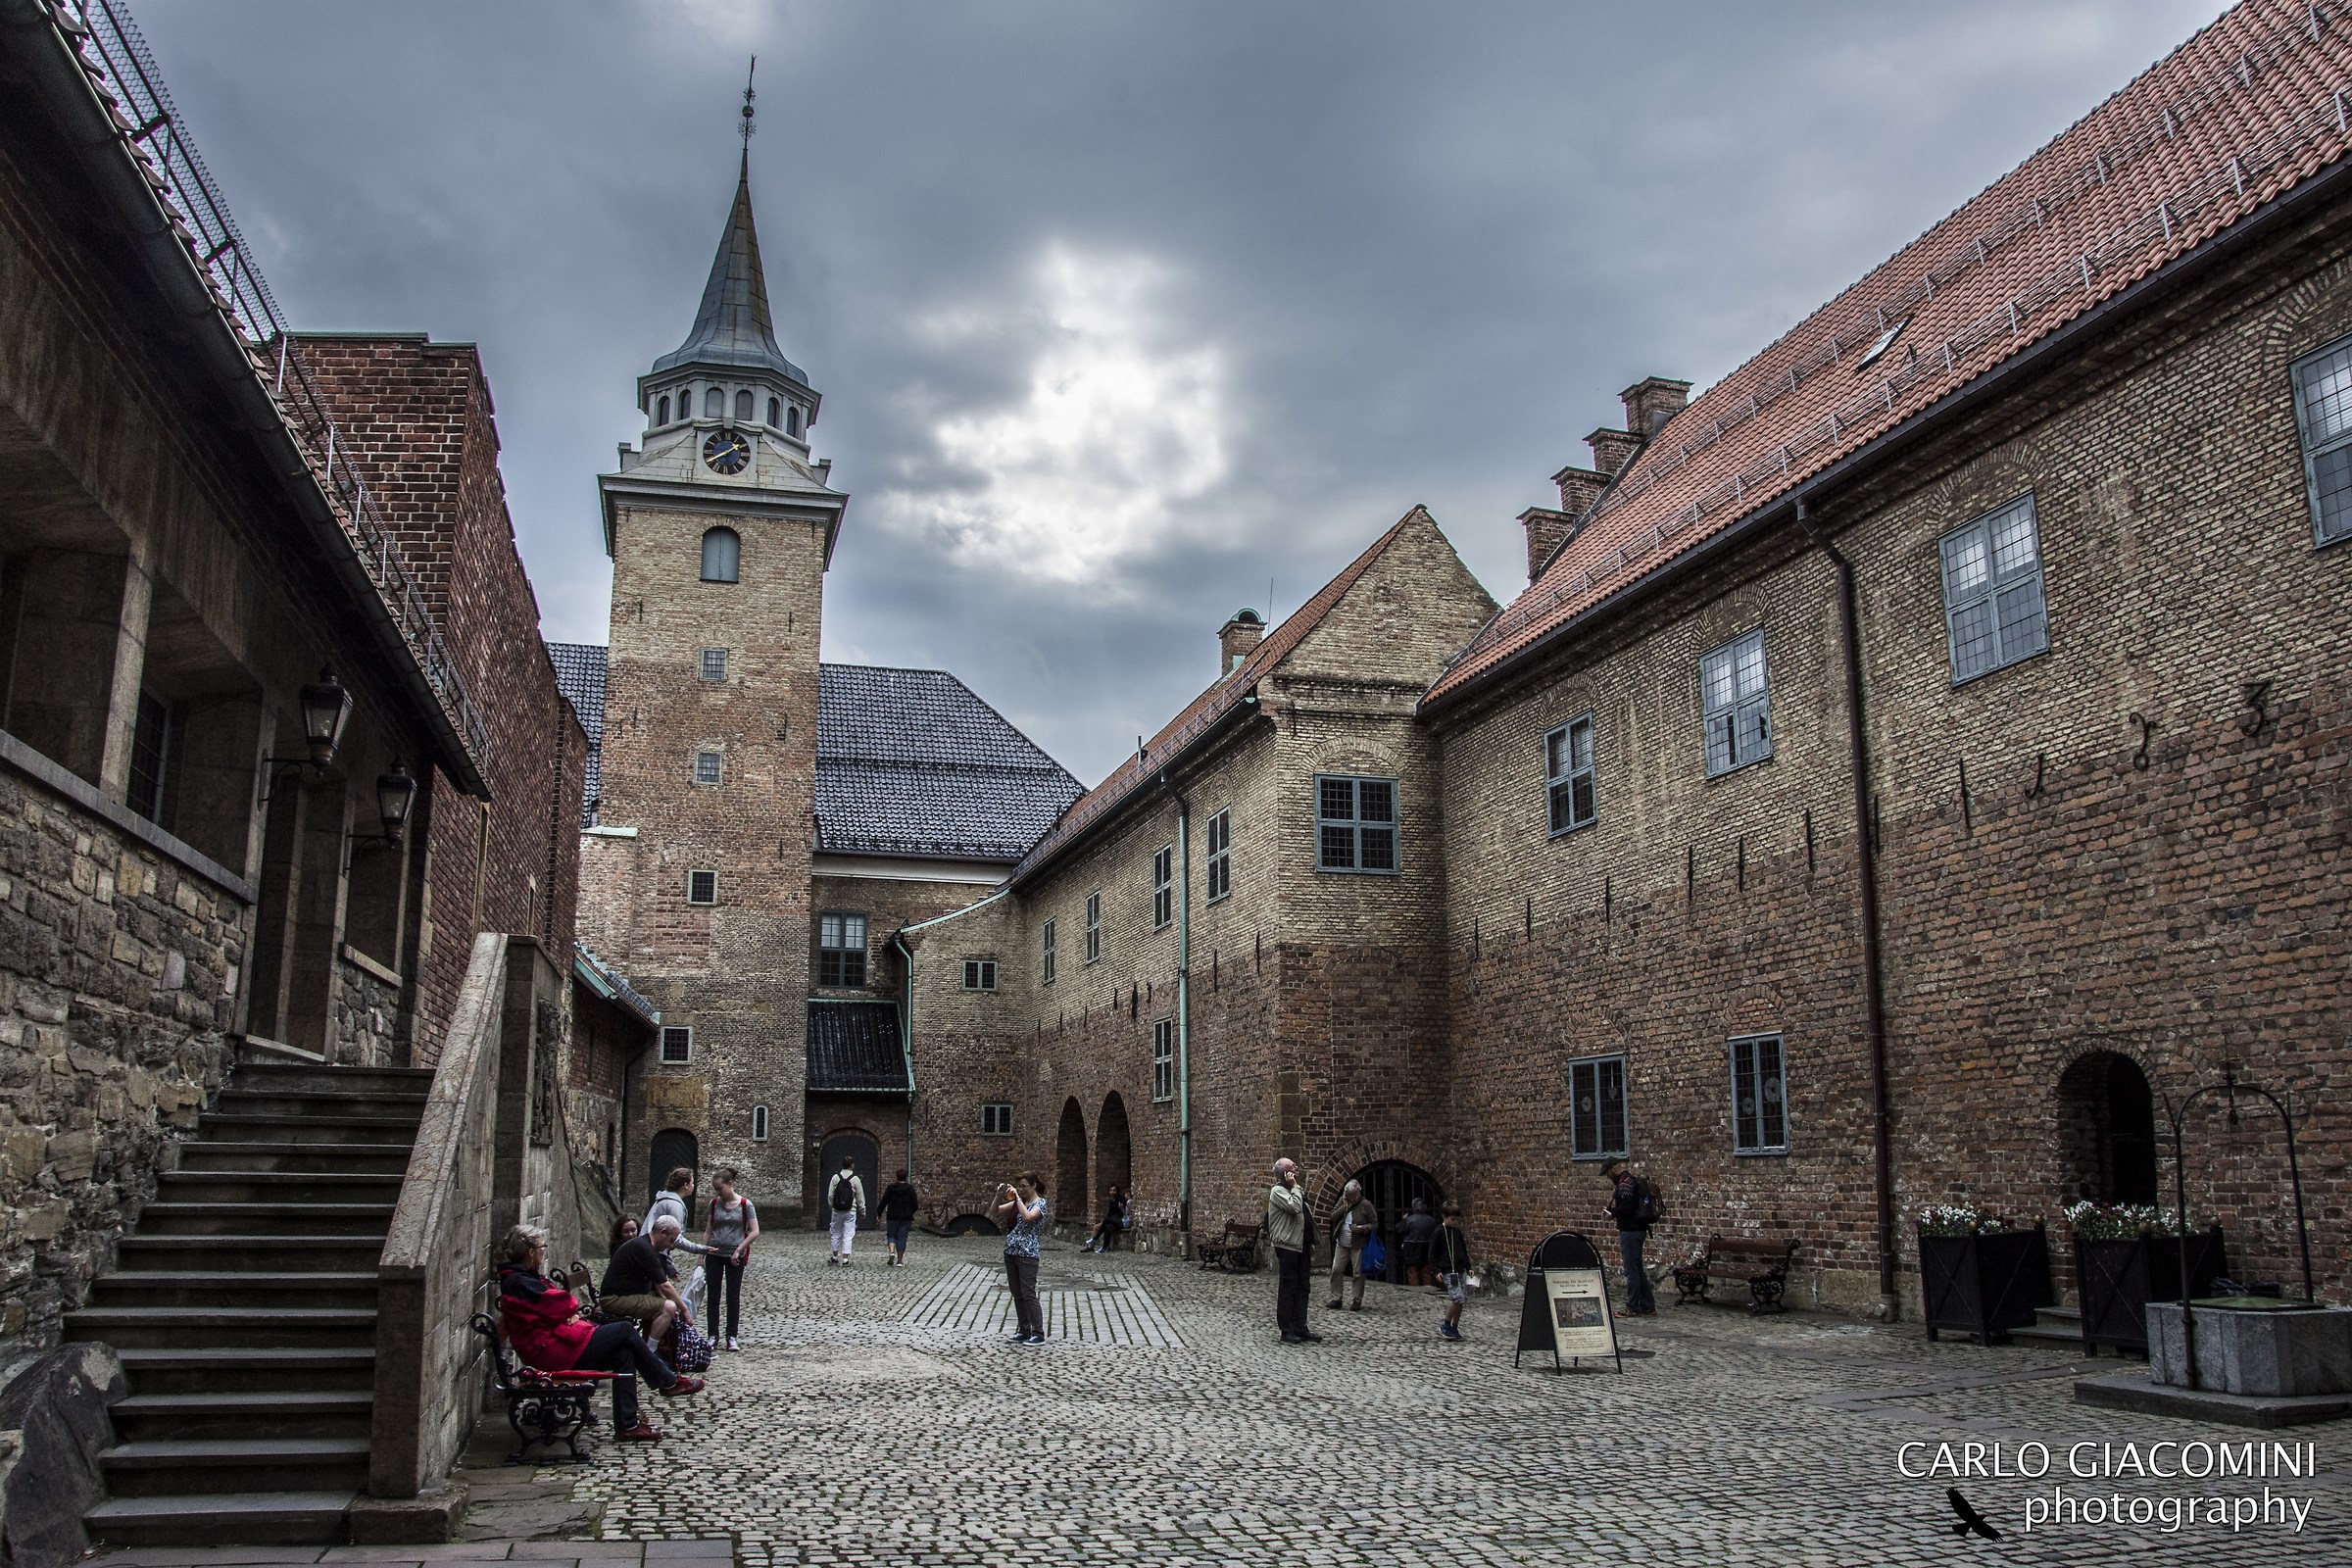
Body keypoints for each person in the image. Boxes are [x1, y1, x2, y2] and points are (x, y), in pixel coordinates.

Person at [497, 1224, 700, 1442]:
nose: (543, 1250)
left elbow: (555, 1305)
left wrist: (565, 1312)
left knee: (624, 1353)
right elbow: (562, 1303)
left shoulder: (523, 1278)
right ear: (530, 1252)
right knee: (624, 1329)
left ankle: (628, 1425)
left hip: (556, 1342)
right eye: (541, 1247)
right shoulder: (520, 1281)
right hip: (551, 1350)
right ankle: (667, 1381)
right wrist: (566, 1311)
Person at [601, 1214, 689, 1338]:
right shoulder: (644, 1249)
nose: (671, 1245)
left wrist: (672, 1300)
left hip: (628, 1295)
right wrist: (684, 1309)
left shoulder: (647, 1245)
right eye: (671, 1240)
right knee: (669, 1307)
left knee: (673, 1302)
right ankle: (650, 1350)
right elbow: (665, 1285)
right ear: (662, 1233)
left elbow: (657, 1281)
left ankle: (667, 1348)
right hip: (615, 1299)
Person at [701, 1167, 758, 1351]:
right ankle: (712, 1335)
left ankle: (731, 1336)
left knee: (733, 1297)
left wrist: (739, 1249)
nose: (718, 1192)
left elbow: (754, 1231)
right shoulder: (714, 1203)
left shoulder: (745, 1204)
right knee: (713, 1296)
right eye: (716, 1189)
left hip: (735, 1256)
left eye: (720, 1188)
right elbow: (708, 1230)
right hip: (714, 1254)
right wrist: (702, 1253)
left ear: (730, 1184)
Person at [1265, 1157, 1320, 1344]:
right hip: (1288, 1246)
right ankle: (1286, 1329)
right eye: (1292, 1167)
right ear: (1284, 1174)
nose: (1296, 1168)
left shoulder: (1295, 1190)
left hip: (1301, 1245)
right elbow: (1295, 1207)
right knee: (1288, 1288)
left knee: (1303, 1287)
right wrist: (1295, 1186)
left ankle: (1300, 1326)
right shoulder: (1278, 1191)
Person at [994, 1172, 1049, 1345]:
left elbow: (1028, 1217)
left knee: (1028, 1293)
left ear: (1033, 1186)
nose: (1021, 1189)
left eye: (1024, 1186)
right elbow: (994, 1211)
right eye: (1019, 1186)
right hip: (1011, 1251)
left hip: (1028, 1254)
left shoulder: (1041, 1203)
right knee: (1017, 1294)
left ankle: (1038, 1332)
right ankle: (1024, 1330)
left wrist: (1017, 1199)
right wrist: (997, 1196)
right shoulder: (1020, 1202)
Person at [1605, 1158, 1658, 1316]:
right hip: (1640, 1229)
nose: (1608, 1177)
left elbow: (1627, 1207)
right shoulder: (1632, 1180)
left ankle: (1633, 1306)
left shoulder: (1625, 1183)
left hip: (1630, 1231)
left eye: (1608, 1173)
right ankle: (1648, 1305)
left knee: (1631, 1270)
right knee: (1637, 1268)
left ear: (1613, 1169)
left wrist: (1612, 1213)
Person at [1326, 1179, 1376, 1311]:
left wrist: (1362, 1228)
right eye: (1348, 1196)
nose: (1351, 1199)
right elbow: (1332, 1216)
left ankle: (1356, 1299)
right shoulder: (1343, 1201)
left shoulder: (1366, 1205)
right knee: (1336, 1270)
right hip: (1342, 1243)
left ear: (1358, 1193)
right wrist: (1344, 1206)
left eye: (1352, 1197)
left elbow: (1375, 1224)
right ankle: (1336, 1298)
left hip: (1358, 1244)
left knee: (1358, 1273)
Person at [1433, 1202, 1472, 1341]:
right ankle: (1446, 1323)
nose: (1455, 1222)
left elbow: (1463, 1250)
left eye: (1456, 1220)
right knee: (1457, 1298)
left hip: (1460, 1269)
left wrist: (1469, 1267)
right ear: (1445, 1217)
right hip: (1448, 1270)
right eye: (1452, 1219)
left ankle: (1454, 1326)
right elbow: (1432, 1253)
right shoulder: (1438, 1232)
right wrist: (1436, 1270)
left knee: (1462, 1300)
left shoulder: (1457, 1232)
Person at [825, 1157, 867, 1266]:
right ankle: (845, 1259)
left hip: (837, 1210)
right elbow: (860, 1197)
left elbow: (830, 1195)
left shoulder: (835, 1177)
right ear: (852, 1165)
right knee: (848, 1234)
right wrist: (862, 1210)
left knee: (835, 1233)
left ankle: (834, 1256)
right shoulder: (855, 1179)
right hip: (850, 1210)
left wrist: (832, 1206)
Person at [877, 1168, 919, 1266]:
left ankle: (892, 1252)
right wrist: (910, 1212)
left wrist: (879, 1213)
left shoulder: (890, 1188)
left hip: (892, 1216)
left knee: (891, 1235)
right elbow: (915, 1204)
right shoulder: (910, 1189)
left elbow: (884, 1201)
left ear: (897, 1176)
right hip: (905, 1217)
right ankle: (899, 1261)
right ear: (906, 1177)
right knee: (902, 1238)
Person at [1398, 1196, 1439, 1288]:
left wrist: (1403, 1220)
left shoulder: (1409, 1220)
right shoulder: (1431, 1220)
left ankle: (1415, 1293)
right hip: (1426, 1248)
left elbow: (1399, 1229)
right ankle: (1428, 1292)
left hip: (1411, 1250)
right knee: (1426, 1272)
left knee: (1413, 1274)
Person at [645, 1168, 695, 1237]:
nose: (693, 1185)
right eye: (692, 1182)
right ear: (686, 1185)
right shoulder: (674, 1205)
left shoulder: (665, 1199)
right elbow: (676, 1237)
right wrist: (698, 1247)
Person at [1085, 1184, 1129, 1253]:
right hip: (1111, 1220)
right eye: (1111, 1190)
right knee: (1099, 1226)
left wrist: (1120, 1208)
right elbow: (1110, 1213)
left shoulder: (1120, 1199)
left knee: (1106, 1222)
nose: (1112, 1192)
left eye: (1114, 1190)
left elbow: (1121, 1213)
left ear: (1117, 1191)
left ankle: (1095, 1239)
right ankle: (1093, 1246)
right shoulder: (1112, 1200)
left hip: (1118, 1221)